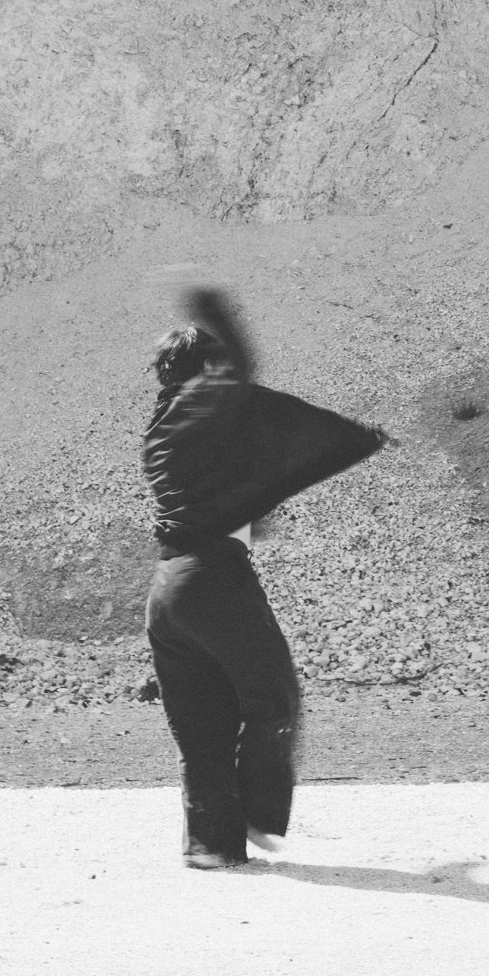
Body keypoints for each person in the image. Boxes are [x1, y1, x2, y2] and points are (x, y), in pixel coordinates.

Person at [143, 283, 392, 869]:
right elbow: (240, 370)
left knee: (202, 725)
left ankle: (210, 847)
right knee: (272, 698)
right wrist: (213, 307)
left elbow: (214, 486)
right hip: (213, 581)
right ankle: (258, 815)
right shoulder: (202, 400)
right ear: (203, 368)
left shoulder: (162, 431)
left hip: (167, 591)